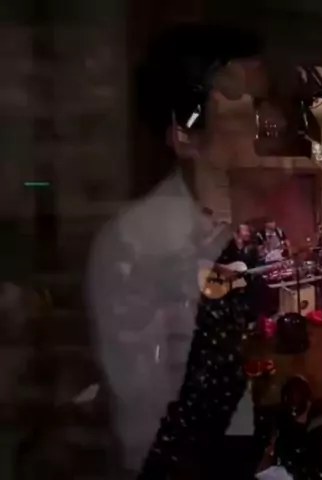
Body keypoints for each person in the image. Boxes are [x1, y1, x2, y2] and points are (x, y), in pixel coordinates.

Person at [86, 25, 274, 477]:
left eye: (267, 102)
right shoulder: (138, 244)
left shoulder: (261, 222)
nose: (271, 123)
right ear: (184, 134)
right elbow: (145, 425)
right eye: (244, 106)